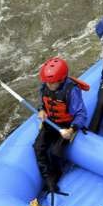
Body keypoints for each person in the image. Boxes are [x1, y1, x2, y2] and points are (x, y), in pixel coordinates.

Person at [34, 57, 88, 193]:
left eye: (52, 83)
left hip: (67, 125)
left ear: (61, 79)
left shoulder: (71, 90)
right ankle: (48, 178)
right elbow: (42, 102)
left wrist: (72, 129)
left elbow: (81, 113)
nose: (49, 85)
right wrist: (41, 110)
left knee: (55, 152)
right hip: (50, 122)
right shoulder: (45, 86)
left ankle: (57, 174)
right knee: (38, 147)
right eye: (47, 82)